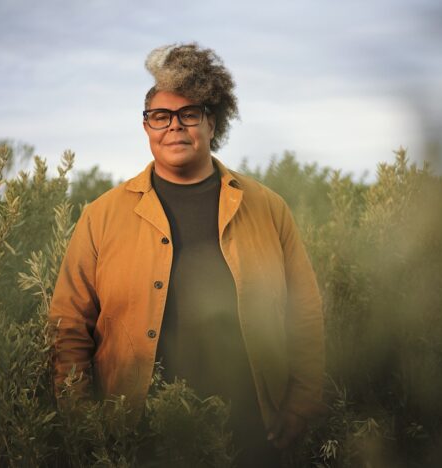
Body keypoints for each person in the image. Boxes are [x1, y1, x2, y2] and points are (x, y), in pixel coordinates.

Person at [49, 43, 325, 466]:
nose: (174, 126)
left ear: (212, 122)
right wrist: (83, 423)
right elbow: (69, 326)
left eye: (189, 114)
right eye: (160, 116)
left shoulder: (268, 209)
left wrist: (301, 406)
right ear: (146, 126)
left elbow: (303, 313)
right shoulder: (101, 217)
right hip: (139, 443)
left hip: (251, 438)